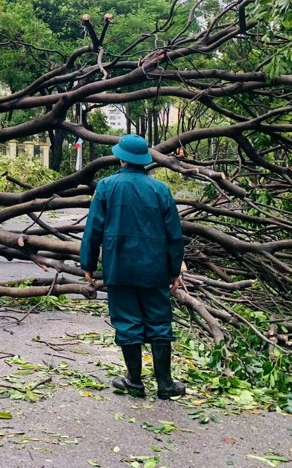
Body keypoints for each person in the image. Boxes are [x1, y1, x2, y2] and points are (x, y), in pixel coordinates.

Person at [79, 133, 186, 399]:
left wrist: (88, 265)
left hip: (119, 268)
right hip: (155, 270)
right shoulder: (160, 189)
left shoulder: (106, 186)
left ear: (121, 158)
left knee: (127, 322)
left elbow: (93, 230)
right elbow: (174, 235)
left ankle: (135, 383)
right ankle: (165, 385)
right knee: (160, 322)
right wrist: (174, 272)